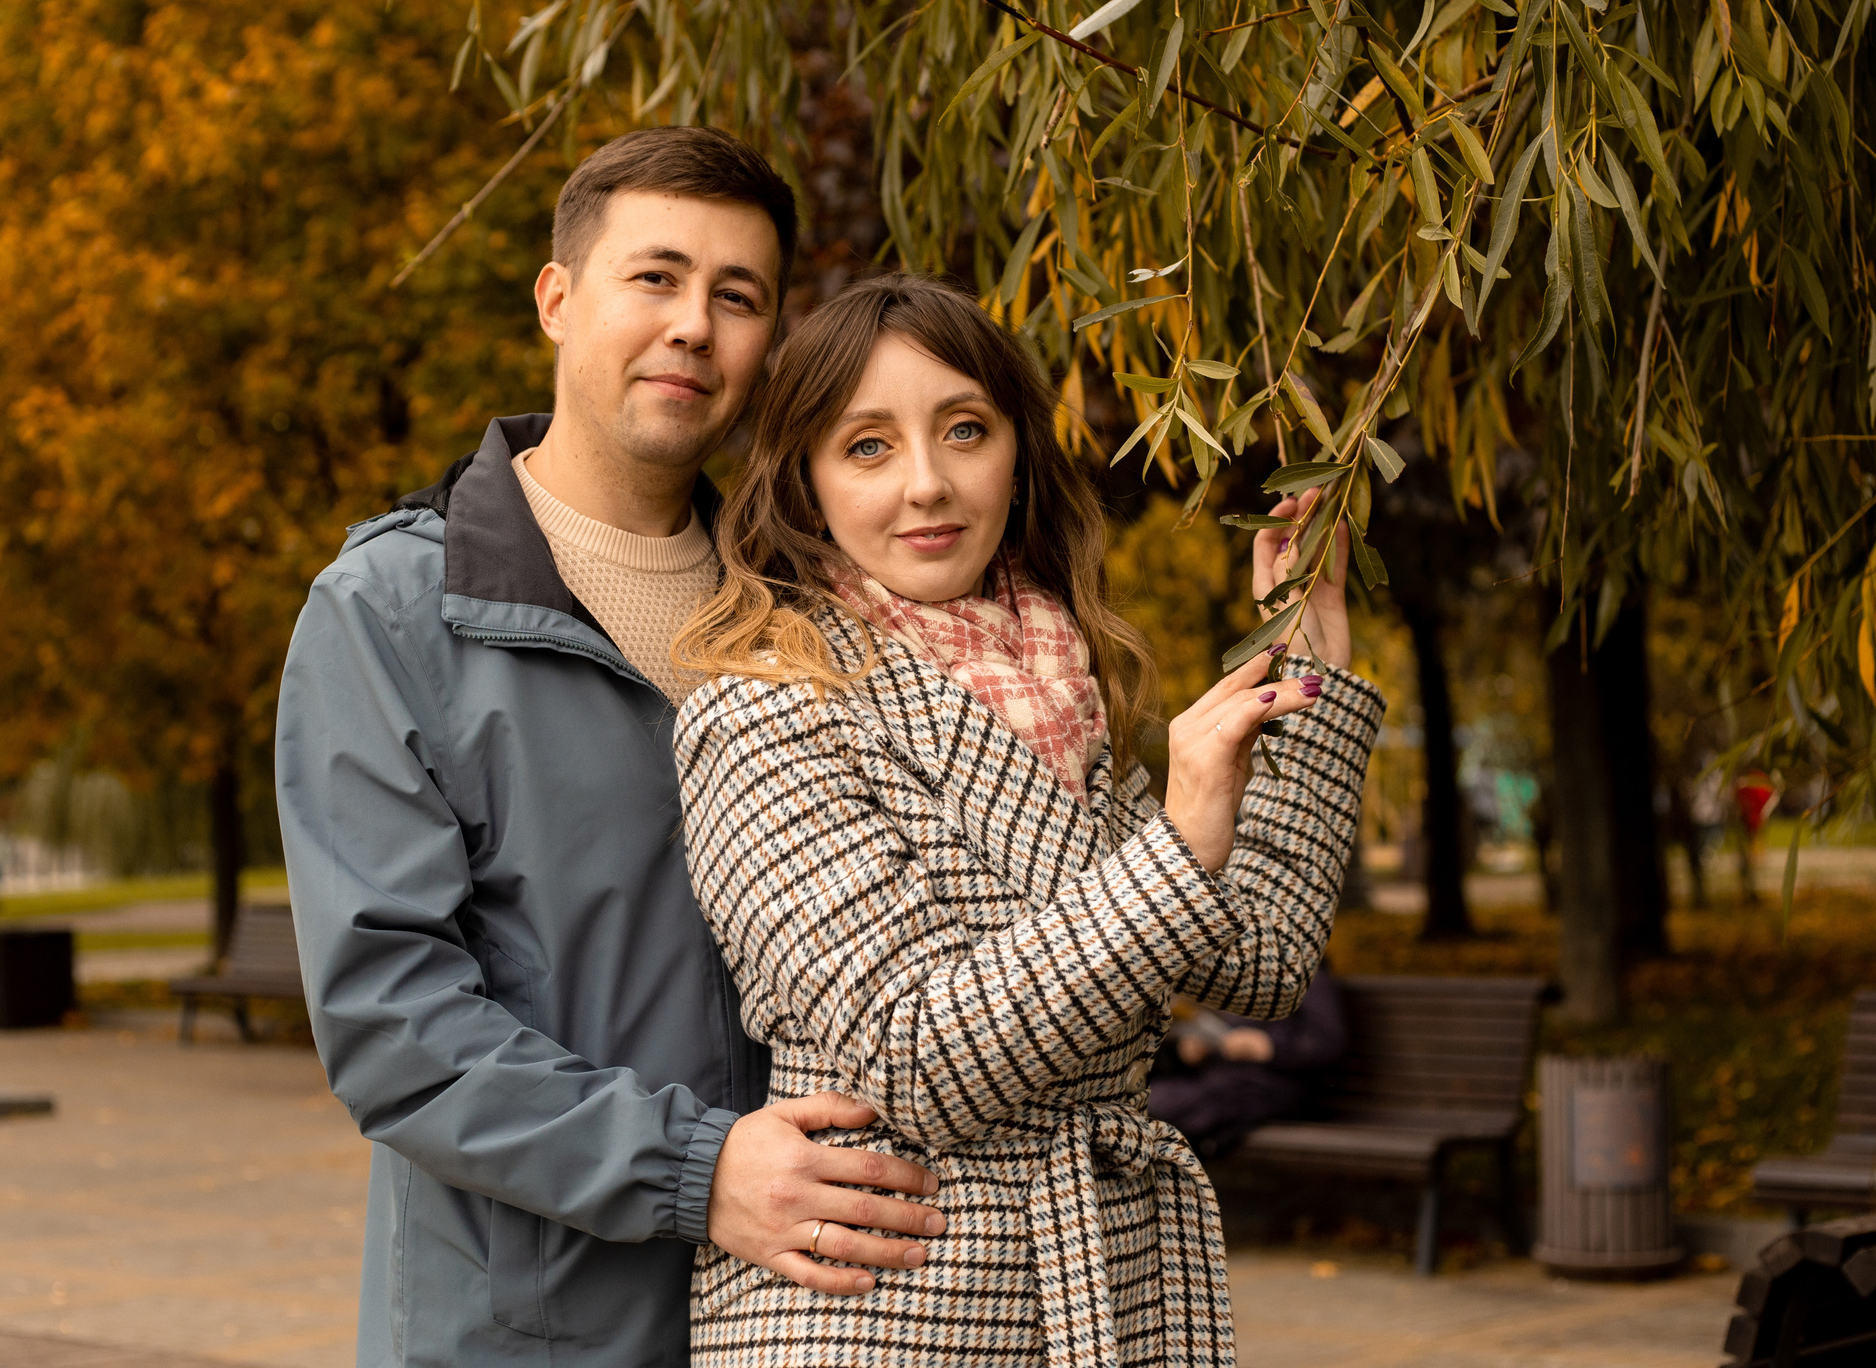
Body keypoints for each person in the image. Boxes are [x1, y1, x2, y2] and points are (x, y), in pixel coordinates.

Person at [275, 130, 948, 1368]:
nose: (694, 324)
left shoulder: (811, 613)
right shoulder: (388, 614)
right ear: (557, 298)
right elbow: (393, 1024)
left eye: (736, 296)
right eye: (656, 277)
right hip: (528, 1335)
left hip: (806, 1321)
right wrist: (696, 1169)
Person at [671, 273, 1386, 1366]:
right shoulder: (761, 709)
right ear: (806, 485)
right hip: (881, 1306)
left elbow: (1263, 963)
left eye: (964, 430)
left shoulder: (1067, 684)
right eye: (866, 446)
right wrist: (1174, 846)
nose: (926, 484)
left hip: (1101, 1281)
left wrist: (1309, 662)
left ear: (1016, 449)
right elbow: (914, 1059)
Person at [1149, 966, 1350, 1159]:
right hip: (1222, 1082)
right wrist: (1193, 1049)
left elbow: (1326, 1042)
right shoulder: (1245, 974)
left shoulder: (1308, 977)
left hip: (1271, 1086)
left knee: (1162, 1110)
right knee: (1149, 1104)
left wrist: (1269, 1047)